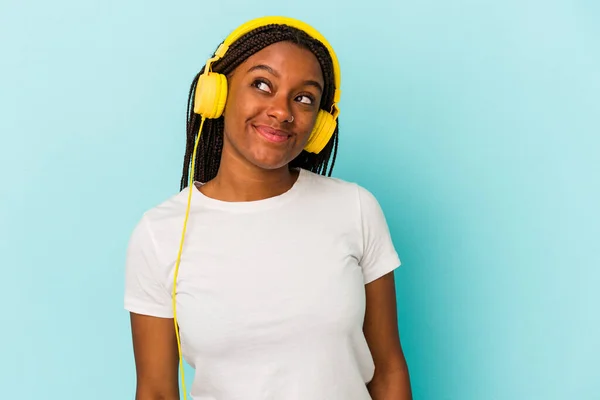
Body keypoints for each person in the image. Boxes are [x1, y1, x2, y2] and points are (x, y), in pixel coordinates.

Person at [124, 16, 412, 400]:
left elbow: (388, 370)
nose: (282, 111)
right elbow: (157, 390)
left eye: (304, 98)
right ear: (218, 94)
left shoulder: (355, 209)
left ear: (320, 124)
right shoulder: (160, 234)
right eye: (262, 85)